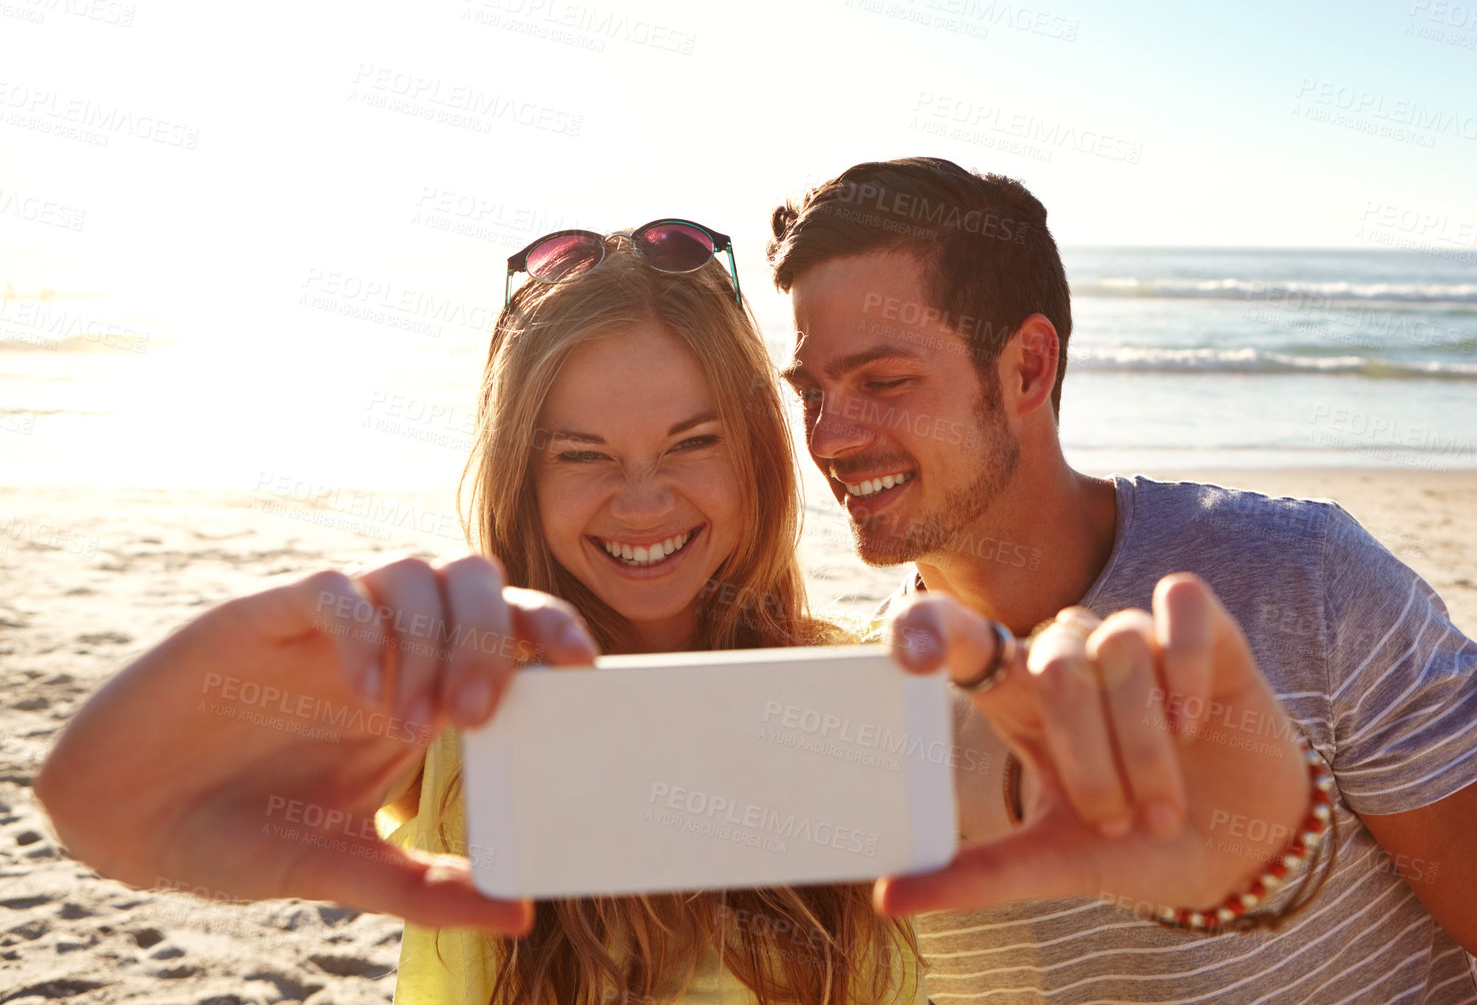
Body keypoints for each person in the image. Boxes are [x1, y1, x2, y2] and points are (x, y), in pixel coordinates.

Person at [768, 157, 1477, 1004]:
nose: (830, 436)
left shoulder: (1303, 579)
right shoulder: (866, 697)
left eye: (883, 380)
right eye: (810, 390)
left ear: (1028, 368)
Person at [38, 221, 924, 1005]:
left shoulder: (857, 699)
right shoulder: (465, 704)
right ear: (521, 479)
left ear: (760, 455)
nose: (643, 502)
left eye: (693, 442)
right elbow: (104, 815)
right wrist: (236, 651)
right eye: (582, 455)